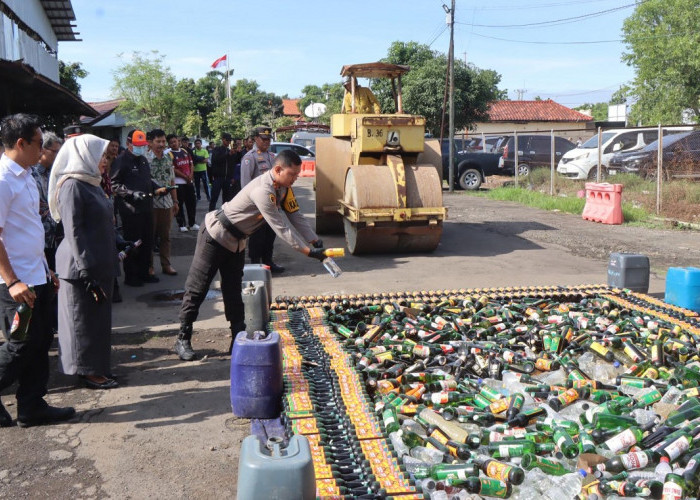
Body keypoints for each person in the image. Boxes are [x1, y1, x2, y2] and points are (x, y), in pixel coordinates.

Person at [174, 149, 325, 361]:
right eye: (292, 174)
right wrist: (307, 251)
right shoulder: (264, 189)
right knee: (198, 287)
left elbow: (295, 215)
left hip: (236, 241)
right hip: (215, 235)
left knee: (234, 290)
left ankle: (237, 338)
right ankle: (183, 337)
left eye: (297, 174)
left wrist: (314, 239)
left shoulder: (283, 188)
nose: (295, 178)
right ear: (278, 169)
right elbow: (281, 227)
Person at [0, 113, 74, 427]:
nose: (42, 150)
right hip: (15, 284)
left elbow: (28, 229)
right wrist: (13, 280)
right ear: (21, 143)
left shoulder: (25, 175)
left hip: (36, 276)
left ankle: (32, 405)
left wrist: (47, 270)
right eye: (38, 143)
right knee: (20, 343)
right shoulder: (3, 179)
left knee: (41, 340)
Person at [48, 135, 119, 390]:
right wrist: (86, 268)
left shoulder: (92, 182)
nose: (105, 161)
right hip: (81, 267)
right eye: (101, 156)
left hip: (98, 263)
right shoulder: (72, 186)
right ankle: (86, 371)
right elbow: (74, 231)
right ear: (84, 156)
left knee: (97, 320)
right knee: (83, 322)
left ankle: (97, 366)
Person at [111, 129, 161, 286]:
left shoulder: (143, 160)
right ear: (128, 144)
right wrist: (131, 194)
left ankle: (144, 272)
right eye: (137, 145)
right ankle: (131, 276)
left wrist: (156, 187)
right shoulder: (121, 160)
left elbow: (147, 179)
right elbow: (114, 184)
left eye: (142, 145)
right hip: (131, 210)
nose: (140, 148)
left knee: (147, 242)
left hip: (146, 207)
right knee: (133, 243)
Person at [241, 126, 285, 273]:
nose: (266, 142)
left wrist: (279, 200)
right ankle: (255, 263)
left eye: (268, 139)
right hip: (257, 206)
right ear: (256, 139)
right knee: (257, 237)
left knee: (270, 235)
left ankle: (268, 261)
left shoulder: (273, 157)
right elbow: (246, 185)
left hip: (273, 204)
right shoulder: (250, 158)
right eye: (263, 139)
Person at [149, 130, 178, 276]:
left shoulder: (168, 157)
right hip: (152, 204)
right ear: (150, 142)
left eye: (163, 141)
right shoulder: (145, 159)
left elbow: (172, 180)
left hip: (167, 203)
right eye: (158, 141)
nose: (161, 144)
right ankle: (149, 266)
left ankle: (166, 265)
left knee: (166, 236)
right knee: (150, 237)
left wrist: (175, 201)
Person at [169, 134, 198, 232]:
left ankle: (192, 223)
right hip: (178, 182)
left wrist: (190, 176)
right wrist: (185, 177)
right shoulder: (169, 154)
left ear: (178, 141)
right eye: (171, 142)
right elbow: (174, 169)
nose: (174, 144)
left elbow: (191, 164)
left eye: (175, 141)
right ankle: (181, 224)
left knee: (191, 203)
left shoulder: (185, 151)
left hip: (189, 182)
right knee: (180, 204)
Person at [209, 133, 240, 211]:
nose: (228, 142)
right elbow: (216, 160)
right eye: (227, 140)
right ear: (223, 140)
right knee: (214, 197)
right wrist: (228, 154)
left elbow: (235, 163)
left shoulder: (230, 150)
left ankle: (224, 214)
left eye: (230, 140)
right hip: (218, 177)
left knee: (226, 199)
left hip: (227, 178)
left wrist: (237, 152)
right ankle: (210, 213)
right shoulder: (217, 149)